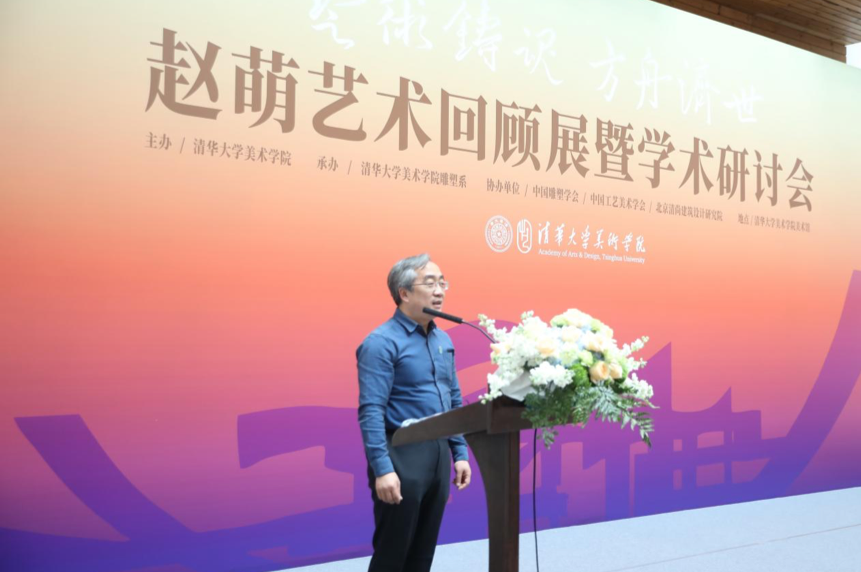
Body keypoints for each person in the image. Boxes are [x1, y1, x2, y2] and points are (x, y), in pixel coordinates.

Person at [357, 253, 472, 572]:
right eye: (430, 283)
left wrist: (459, 452)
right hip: (401, 455)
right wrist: (382, 469)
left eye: (442, 283)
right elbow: (371, 411)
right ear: (404, 293)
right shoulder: (380, 343)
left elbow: (453, 400)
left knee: (423, 554)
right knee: (393, 553)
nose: (440, 291)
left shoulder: (443, 339)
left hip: (438, 455)